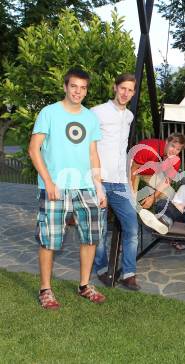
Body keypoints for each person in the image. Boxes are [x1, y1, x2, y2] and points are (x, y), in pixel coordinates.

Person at [28, 68, 107, 310]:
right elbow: (34, 149)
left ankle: (84, 285)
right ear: (65, 87)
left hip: (86, 187)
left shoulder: (90, 118)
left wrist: (99, 186)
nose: (78, 92)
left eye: (83, 88)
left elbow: (93, 154)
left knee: (91, 237)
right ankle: (45, 289)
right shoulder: (49, 113)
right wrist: (49, 182)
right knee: (49, 239)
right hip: (56, 187)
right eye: (74, 86)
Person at [92, 73, 140, 290]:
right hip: (100, 181)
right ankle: (101, 268)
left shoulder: (129, 116)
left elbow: (122, 151)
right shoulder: (97, 112)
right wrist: (94, 180)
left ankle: (129, 272)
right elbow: (88, 148)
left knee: (132, 226)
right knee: (100, 230)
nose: (126, 93)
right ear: (115, 87)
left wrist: (129, 183)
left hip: (120, 184)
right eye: (123, 88)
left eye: (130, 90)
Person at [130, 133, 185, 209]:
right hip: (133, 170)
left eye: (178, 149)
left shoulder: (175, 160)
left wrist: (153, 197)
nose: (174, 151)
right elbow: (133, 169)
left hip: (149, 173)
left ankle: (156, 211)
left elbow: (167, 181)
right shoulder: (149, 148)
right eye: (172, 146)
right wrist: (132, 194)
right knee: (130, 200)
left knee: (169, 195)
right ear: (166, 142)